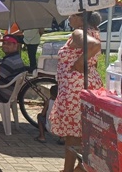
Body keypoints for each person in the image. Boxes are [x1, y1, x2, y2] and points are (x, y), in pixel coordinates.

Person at [49, 12, 103, 172]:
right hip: (84, 83)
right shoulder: (93, 30)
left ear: (81, 18)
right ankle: (79, 167)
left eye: (72, 15)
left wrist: (80, 62)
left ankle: (69, 170)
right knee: (82, 131)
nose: (69, 18)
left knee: (73, 133)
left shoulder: (79, 32)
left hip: (76, 88)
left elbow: (94, 45)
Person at [0, 34, 27, 103]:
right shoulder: (16, 57)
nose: (5, 46)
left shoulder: (10, 61)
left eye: (9, 44)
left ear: (16, 45)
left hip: (2, 94)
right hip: (9, 92)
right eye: (4, 43)